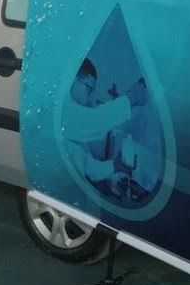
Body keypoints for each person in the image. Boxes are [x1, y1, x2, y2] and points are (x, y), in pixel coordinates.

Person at [62, 58, 147, 197]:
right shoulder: (62, 111)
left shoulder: (75, 127)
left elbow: (88, 168)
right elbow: (97, 120)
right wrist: (132, 97)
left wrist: (115, 165)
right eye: (89, 88)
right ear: (74, 80)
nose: (91, 97)